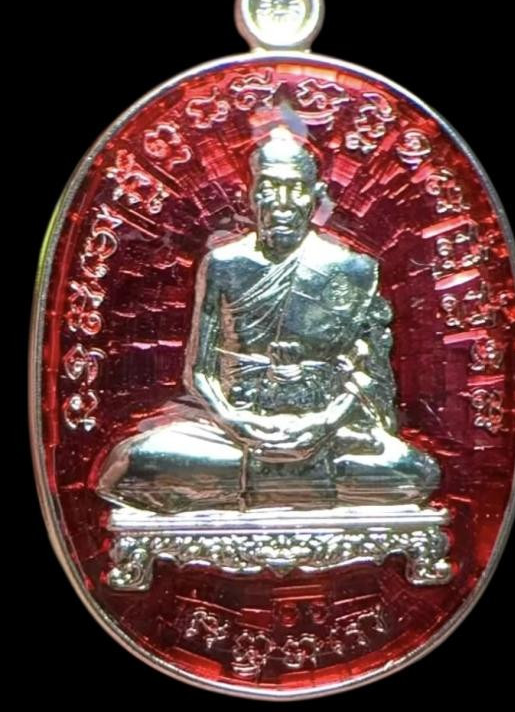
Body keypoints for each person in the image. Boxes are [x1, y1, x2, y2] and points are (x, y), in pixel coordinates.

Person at [96, 126, 440, 514]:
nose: (282, 203)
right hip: (235, 432)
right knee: (131, 464)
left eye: (295, 188)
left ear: (317, 197)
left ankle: (252, 490)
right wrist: (236, 423)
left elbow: (367, 375)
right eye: (270, 188)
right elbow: (199, 372)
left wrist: (322, 424)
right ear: (251, 195)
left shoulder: (353, 269)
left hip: (328, 433)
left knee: (417, 473)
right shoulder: (223, 264)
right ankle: (296, 489)